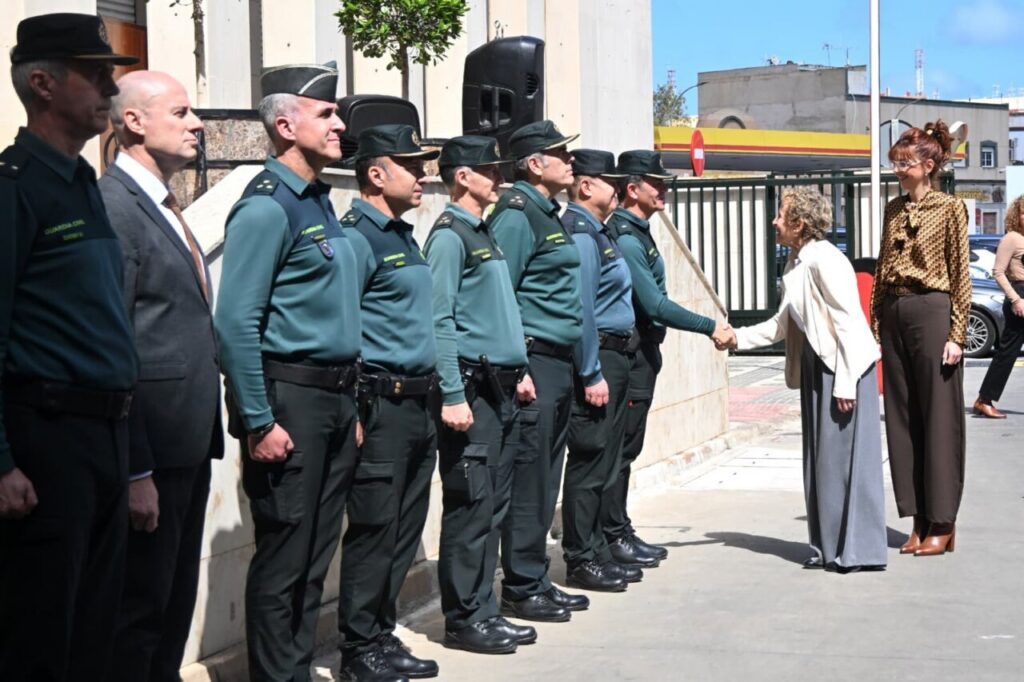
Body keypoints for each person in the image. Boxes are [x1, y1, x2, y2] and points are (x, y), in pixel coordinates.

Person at [213, 62, 364, 681]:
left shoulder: (317, 203)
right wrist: (257, 417)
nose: (338, 123)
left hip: (332, 402)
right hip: (289, 402)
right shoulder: (267, 209)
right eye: (325, 113)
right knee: (284, 558)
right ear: (284, 123)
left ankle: (296, 670)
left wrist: (348, 408)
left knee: (314, 556)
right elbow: (234, 324)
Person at [0, 13, 139, 680]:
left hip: (104, 436)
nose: (110, 89)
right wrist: (1, 461)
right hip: (46, 439)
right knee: (40, 634)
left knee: (94, 630)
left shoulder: (84, 182)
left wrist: (133, 460)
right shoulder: (15, 188)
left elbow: (110, 330)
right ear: (42, 83)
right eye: (94, 74)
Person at [100, 70, 224, 681]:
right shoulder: (115, 208)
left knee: (173, 603)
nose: (197, 123)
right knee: (140, 611)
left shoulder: (164, 206)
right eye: (181, 112)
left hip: (188, 443)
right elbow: (115, 342)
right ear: (135, 122)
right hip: (150, 452)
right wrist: (135, 468)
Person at [722, 187, 887, 573]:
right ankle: (828, 547)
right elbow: (785, 323)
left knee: (845, 462)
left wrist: (846, 384)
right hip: (819, 364)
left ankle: (857, 551)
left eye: (781, 215)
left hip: (843, 367)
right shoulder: (797, 261)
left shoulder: (825, 260)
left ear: (799, 223)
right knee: (823, 460)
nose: (774, 221)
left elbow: (849, 321)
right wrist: (738, 338)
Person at [425, 135, 537, 654]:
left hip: (503, 387)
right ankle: (465, 617)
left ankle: (485, 608)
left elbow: (502, 310)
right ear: (462, 176)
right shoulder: (450, 235)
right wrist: (451, 393)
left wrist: (522, 370)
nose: (498, 177)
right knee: (471, 506)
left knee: (493, 505)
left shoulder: (483, 232)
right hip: (473, 389)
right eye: (488, 170)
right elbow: (439, 317)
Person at [337, 125, 439, 682]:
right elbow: (344, 325)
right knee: (375, 528)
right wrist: (353, 407)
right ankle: (359, 650)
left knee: (403, 526)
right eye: (410, 165)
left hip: (419, 404)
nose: (422, 174)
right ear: (376, 174)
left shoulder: (402, 234)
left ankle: (380, 632)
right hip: (381, 405)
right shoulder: (357, 238)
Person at [604, 150, 733, 568]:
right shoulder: (625, 236)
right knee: (619, 449)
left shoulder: (638, 231)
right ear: (632, 187)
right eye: (656, 183)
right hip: (631, 350)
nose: (664, 189)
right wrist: (709, 325)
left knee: (628, 446)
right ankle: (610, 534)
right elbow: (655, 305)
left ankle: (618, 528)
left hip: (643, 352)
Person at [488, 120, 588, 624]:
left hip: (558, 360)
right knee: (530, 478)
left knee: (547, 474)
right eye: (559, 154)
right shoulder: (518, 214)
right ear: (533, 163)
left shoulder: (547, 213)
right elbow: (499, 292)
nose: (570, 161)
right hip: (534, 360)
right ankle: (522, 585)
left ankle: (536, 577)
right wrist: (517, 364)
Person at [870, 120, 970, 557]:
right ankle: (916, 519)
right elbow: (881, 265)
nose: (898, 170)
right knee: (902, 418)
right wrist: (876, 321)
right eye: (895, 163)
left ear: (929, 166)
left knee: (939, 420)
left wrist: (957, 333)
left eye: (905, 164)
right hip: (894, 312)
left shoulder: (950, 209)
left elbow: (960, 270)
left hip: (932, 310)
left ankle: (943, 521)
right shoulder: (893, 209)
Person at [559, 149, 640, 593]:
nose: (618, 188)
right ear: (586, 186)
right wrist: (591, 371)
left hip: (615, 354)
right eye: (610, 180)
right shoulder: (580, 234)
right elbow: (583, 310)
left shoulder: (599, 231)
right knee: (590, 458)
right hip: (600, 356)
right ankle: (582, 556)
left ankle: (597, 548)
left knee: (606, 458)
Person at [973, 193, 1024, 419]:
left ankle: (984, 398)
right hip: (1019, 297)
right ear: (1017, 215)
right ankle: (984, 399)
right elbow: (998, 272)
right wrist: (1016, 299)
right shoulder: (1012, 238)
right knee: (1008, 352)